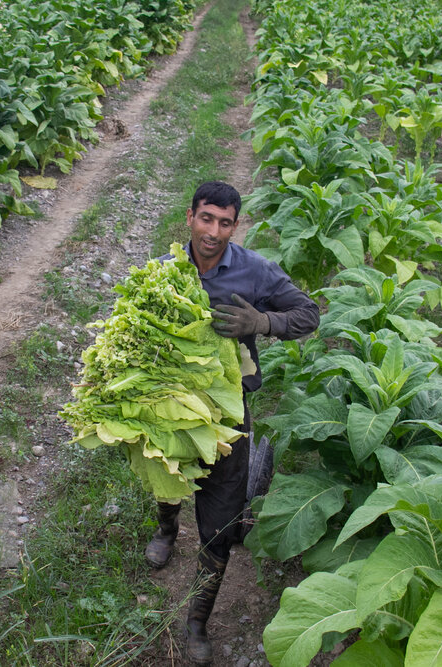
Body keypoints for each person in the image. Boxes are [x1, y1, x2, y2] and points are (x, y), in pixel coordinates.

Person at [148, 181, 320, 665]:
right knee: (168, 477)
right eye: (206, 218)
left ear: (235, 226)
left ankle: (197, 622)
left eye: (225, 223)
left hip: (227, 411)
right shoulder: (163, 271)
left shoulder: (254, 271)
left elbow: (308, 314)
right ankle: (166, 529)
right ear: (190, 217)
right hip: (170, 405)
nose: (214, 231)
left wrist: (262, 323)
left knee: (221, 516)